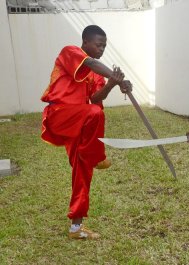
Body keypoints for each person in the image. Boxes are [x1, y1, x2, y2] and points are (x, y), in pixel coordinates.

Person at [40, 25, 132, 239]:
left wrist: (111, 84)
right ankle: (98, 157)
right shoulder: (70, 51)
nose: (101, 49)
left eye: (104, 46)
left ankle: (76, 227)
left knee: (82, 170)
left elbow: (96, 97)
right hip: (61, 115)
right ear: (86, 42)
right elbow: (90, 63)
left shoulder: (97, 73)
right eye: (99, 44)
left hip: (80, 122)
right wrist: (117, 78)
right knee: (95, 113)